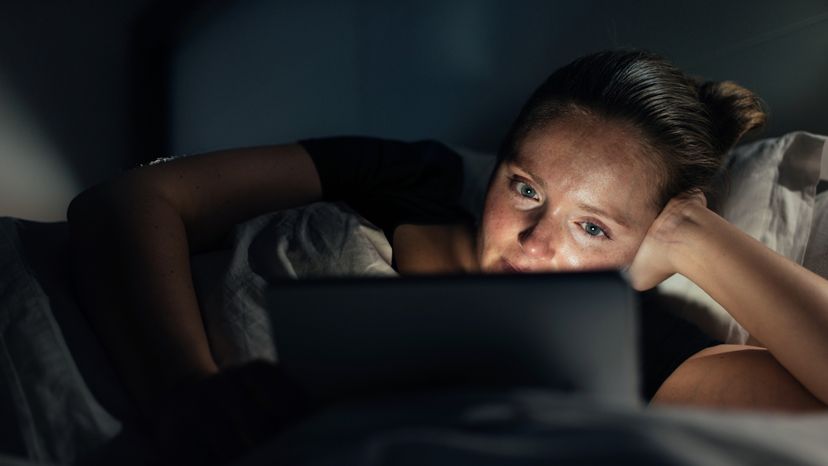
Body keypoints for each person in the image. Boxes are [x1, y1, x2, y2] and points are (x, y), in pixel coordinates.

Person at [67, 49, 828, 461]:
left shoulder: (641, 343)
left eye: (593, 227)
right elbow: (129, 202)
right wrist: (188, 391)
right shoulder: (417, 181)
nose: (536, 241)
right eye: (525, 188)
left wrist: (692, 236)